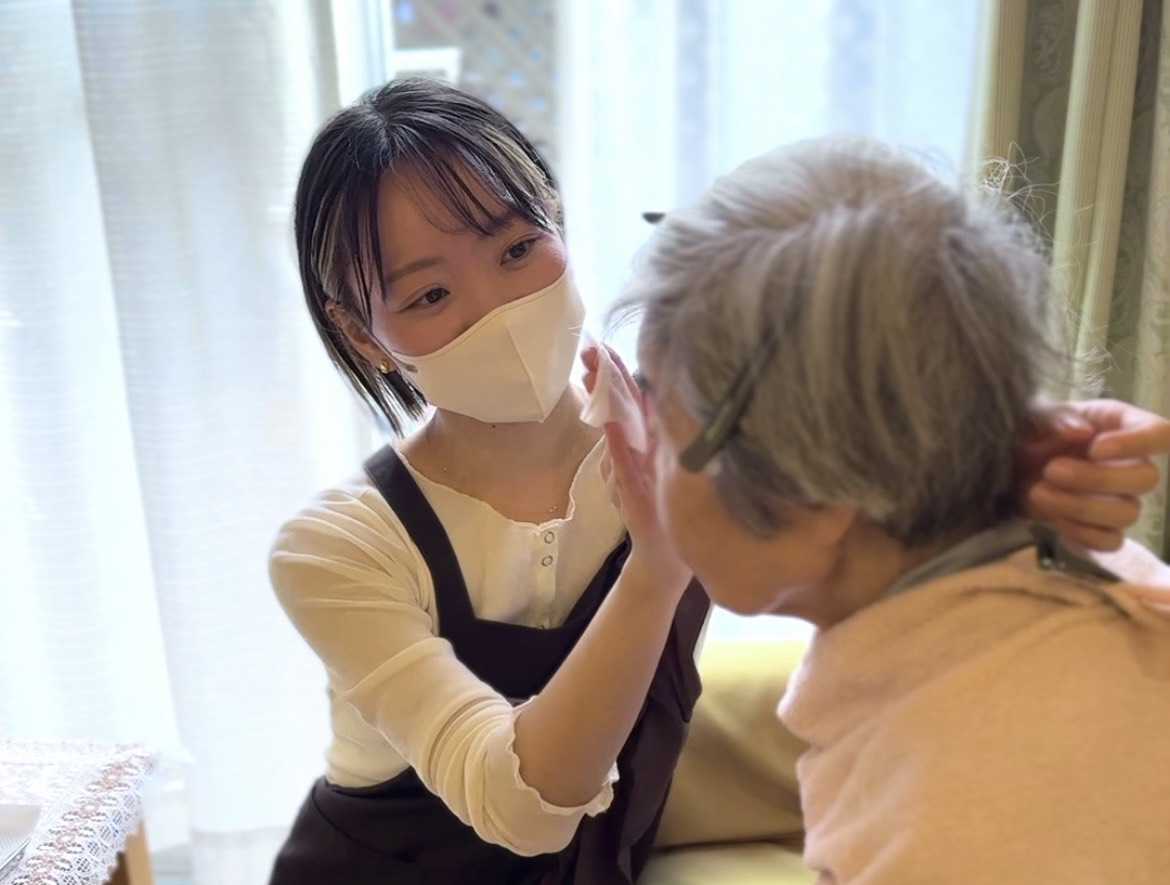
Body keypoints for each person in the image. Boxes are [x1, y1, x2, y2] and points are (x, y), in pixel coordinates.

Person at [268, 78, 1168, 884]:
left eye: (514, 249)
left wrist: (1002, 446)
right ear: (360, 330)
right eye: (428, 294)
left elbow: (859, 371)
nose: (497, 309)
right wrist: (658, 561)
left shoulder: (706, 391)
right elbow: (517, 804)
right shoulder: (337, 546)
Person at [616, 134, 1170, 883]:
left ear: (815, 490)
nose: (637, 445)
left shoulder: (952, 825)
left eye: (658, 411)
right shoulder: (1054, 554)